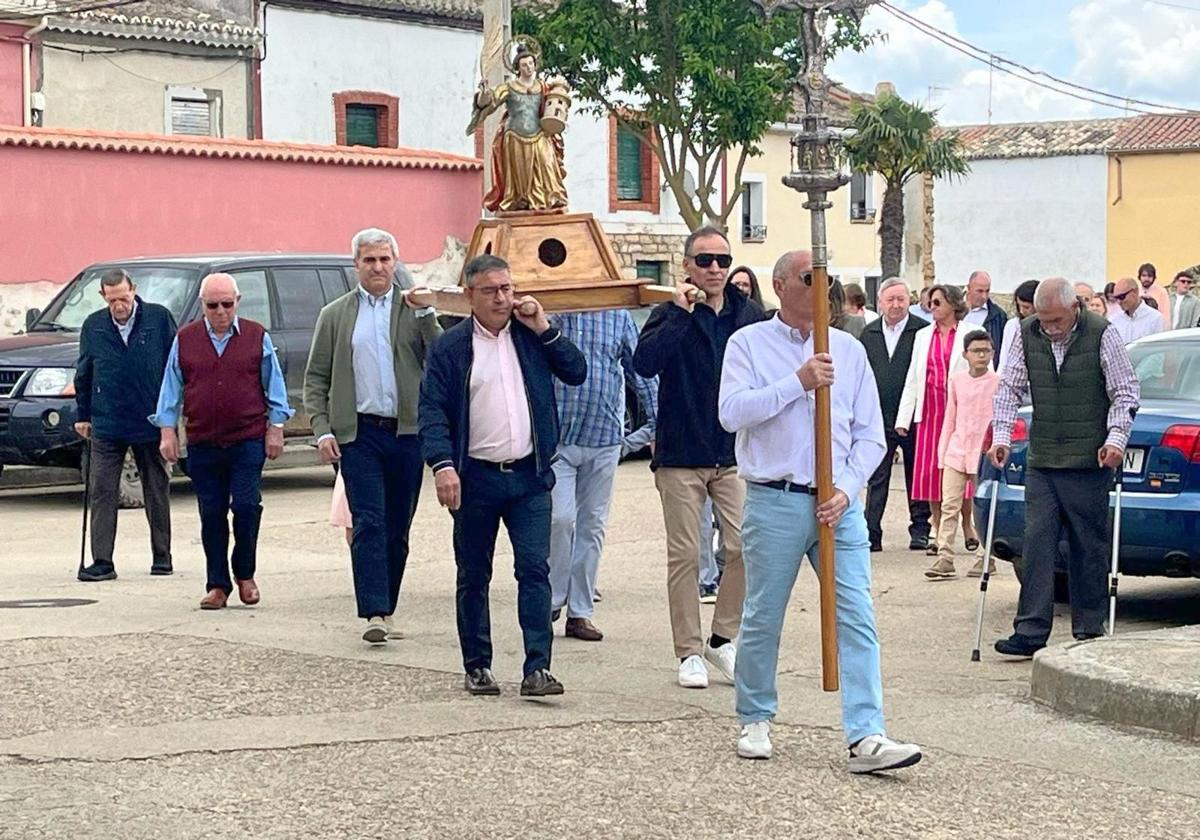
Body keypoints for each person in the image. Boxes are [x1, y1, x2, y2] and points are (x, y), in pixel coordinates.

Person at [718, 249, 922, 772]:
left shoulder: (849, 351)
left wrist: (849, 488)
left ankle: (866, 733)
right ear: (782, 284)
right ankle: (755, 717)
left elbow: (869, 433)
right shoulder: (748, 343)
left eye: (828, 278)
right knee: (764, 612)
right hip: (775, 497)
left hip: (837, 505)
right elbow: (732, 412)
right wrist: (798, 383)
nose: (821, 287)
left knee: (857, 614)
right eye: (811, 277)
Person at [419, 254, 586, 697]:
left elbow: (576, 371)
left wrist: (545, 329)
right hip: (475, 478)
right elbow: (432, 410)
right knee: (474, 573)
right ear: (469, 295)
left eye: (507, 289)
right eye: (491, 290)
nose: (502, 298)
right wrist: (442, 465)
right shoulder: (450, 347)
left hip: (529, 478)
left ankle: (538, 668)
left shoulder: (530, 339)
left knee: (535, 569)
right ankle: (477, 664)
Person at [633, 225, 765, 690]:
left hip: (731, 452)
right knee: (685, 555)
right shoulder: (670, 313)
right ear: (687, 264)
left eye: (723, 261)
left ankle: (722, 638)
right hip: (680, 454)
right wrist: (680, 315)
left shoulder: (748, 314)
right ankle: (687, 650)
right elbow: (644, 363)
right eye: (705, 260)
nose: (714, 269)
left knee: (743, 546)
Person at [303, 228, 442, 645]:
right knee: (368, 522)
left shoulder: (412, 308)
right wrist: (322, 428)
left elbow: (439, 359)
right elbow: (316, 378)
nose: (378, 267)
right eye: (370, 260)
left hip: (406, 432)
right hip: (358, 433)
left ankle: (388, 604)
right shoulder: (336, 315)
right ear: (356, 265)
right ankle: (374, 611)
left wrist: (425, 314)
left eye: (385, 259)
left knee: (398, 525)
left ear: (395, 262)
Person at [988, 278, 1139, 656]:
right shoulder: (1026, 333)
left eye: (1056, 320)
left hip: (1088, 459)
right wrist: (1002, 436)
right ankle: (1030, 630)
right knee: (1036, 542)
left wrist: (1115, 439)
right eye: (1043, 320)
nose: (1050, 328)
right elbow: (1009, 388)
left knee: (1087, 545)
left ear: (1075, 309)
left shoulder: (1102, 333)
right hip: (1043, 458)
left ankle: (1089, 628)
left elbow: (1124, 390)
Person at [152, 273, 292, 610]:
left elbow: (274, 385)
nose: (220, 311)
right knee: (211, 512)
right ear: (203, 305)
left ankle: (245, 573)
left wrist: (276, 427)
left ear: (237, 302)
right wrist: (167, 431)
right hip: (203, 440)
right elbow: (171, 388)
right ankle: (217, 584)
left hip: (247, 438)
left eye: (227, 304)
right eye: (213, 305)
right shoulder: (185, 339)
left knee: (246, 506)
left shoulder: (257, 336)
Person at [547, 309, 657, 642]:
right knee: (559, 518)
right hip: (559, 437)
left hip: (604, 435)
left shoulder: (618, 316)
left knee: (592, 525)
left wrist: (656, 418)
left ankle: (580, 612)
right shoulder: (555, 311)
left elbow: (640, 369)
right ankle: (553, 596)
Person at [73, 268, 177, 581]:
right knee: (102, 491)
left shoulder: (159, 319)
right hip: (107, 421)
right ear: (103, 296)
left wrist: (171, 416)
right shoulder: (93, 326)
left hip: (150, 418)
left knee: (156, 489)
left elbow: (175, 367)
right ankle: (102, 561)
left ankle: (162, 556)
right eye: (112, 299)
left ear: (134, 290)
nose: (120, 305)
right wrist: (83, 415)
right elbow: (84, 373)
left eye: (124, 297)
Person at [896, 284, 973, 557]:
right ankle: (938, 530)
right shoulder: (921, 336)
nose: (932, 307)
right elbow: (913, 378)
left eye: (938, 302)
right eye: (930, 302)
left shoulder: (969, 334)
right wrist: (903, 418)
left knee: (959, 470)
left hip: (958, 414)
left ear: (953, 304)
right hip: (929, 412)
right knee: (931, 473)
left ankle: (966, 524)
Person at [861, 277, 931, 552]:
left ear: (909, 301)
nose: (896, 305)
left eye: (901, 299)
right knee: (877, 477)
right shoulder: (869, 334)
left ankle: (920, 529)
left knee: (916, 474)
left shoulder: (922, 331)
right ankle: (872, 532)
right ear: (880, 302)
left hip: (913, 416)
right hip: (877, 417)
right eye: (890, 299)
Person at [926, 330, 1000, 580]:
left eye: (986, 351)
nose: (982, 355)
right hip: (957, 449)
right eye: (976, 351)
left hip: (984, 451)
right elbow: (950, 417)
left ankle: (984, 556)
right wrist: (942, 452)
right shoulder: (957, 380)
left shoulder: (998, 381)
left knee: (981, 505)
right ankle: (944, 555)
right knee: (949, 505)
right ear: (965, 354)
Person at [467, 44, 567, 213]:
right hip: (515, 136)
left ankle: (553, 198)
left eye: (531, 64)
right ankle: (522, 200)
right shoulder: (509, 87)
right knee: (522, 176)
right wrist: (484, 93)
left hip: (539, 134)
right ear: (517, 68)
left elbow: (557, 100)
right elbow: (490, 101)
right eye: (524, 65)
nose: (528, 68)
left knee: (548, 165)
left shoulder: (542, 87)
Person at [962, 270, 1006, 369]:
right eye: (979, 291)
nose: (984, 296)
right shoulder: (954, 310)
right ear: (968, 288)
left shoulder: (998, 316)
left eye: (987, 291)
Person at [1108, 276, 1163, 345]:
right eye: (1116, 298)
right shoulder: (1113, 321)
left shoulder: (1155, 318)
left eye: (1122, 297)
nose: (1119, 302)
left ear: (1135, 292)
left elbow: (1158, 349)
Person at [1000, 280, 1039, 369]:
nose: (1022, 311)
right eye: (1019, 306)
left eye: (1026, 307)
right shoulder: (1013, 325)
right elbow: (1005, 356)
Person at [1136, 262, 1172, 329]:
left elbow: (1166, 315)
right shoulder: (1135, 291)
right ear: (1139, 277)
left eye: (1149, 276)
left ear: (1154, 278)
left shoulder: (1161, 292)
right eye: (1144, 276)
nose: (1146, 279)